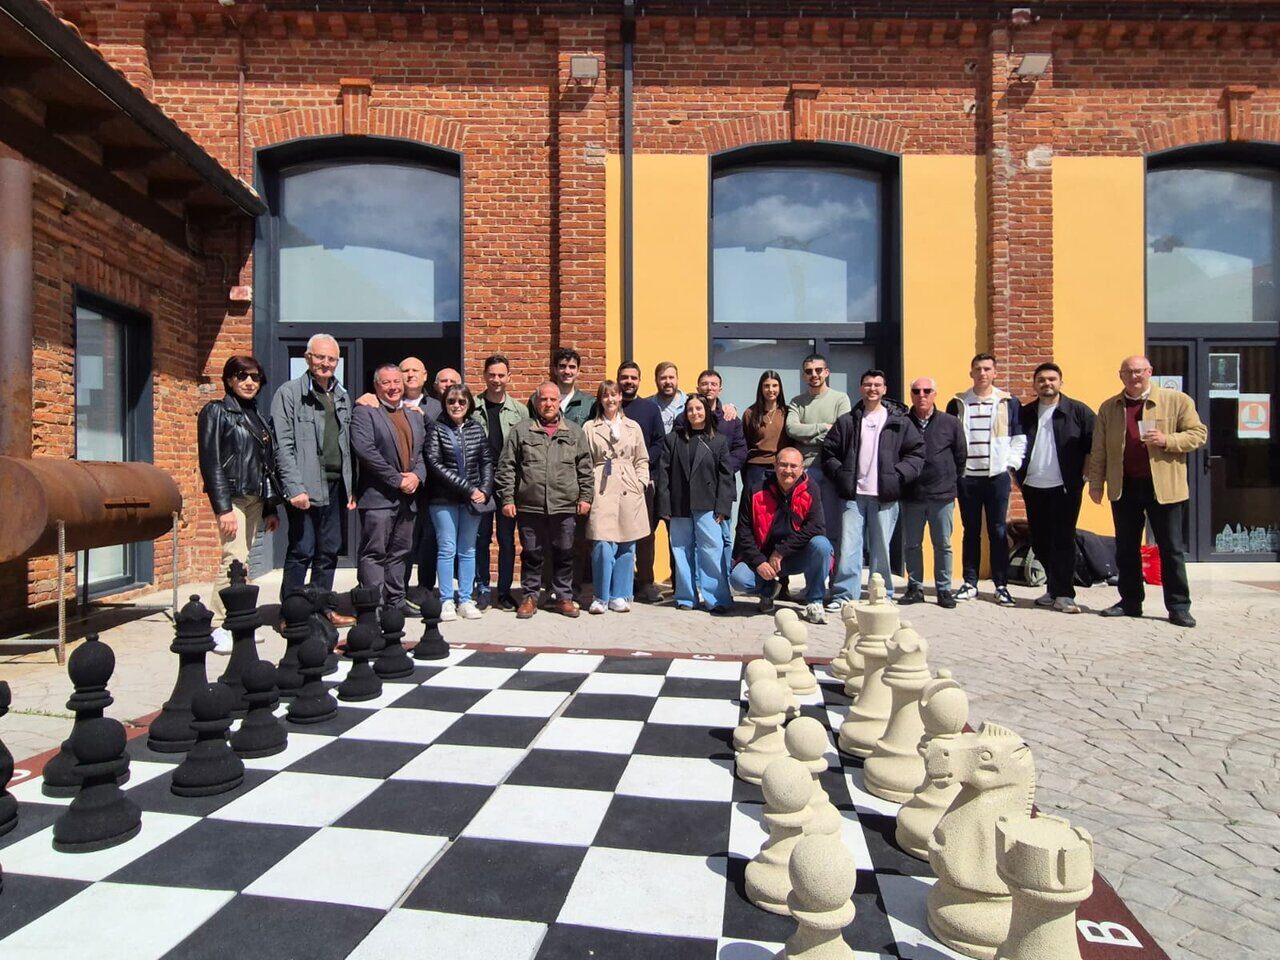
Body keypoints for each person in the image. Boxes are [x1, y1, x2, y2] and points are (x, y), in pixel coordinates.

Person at [1087, 355, 1206, 627]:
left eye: (1139, 371)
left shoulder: (1177, 400)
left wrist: (1167, 439)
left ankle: (1179, 606)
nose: (1134, 377)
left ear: (1150, 372)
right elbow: (1099, 449)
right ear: (1120, 375)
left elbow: (1198, 434)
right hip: (1124, 485)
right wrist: (1096, 482)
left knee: (1171, 549)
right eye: (1128, 372)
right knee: (1126, 549)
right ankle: (1130, 602)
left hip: (1163, 486)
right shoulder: (1109, 407)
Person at [820, 369, 924, 615]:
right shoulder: (847, 421)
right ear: (861, 388)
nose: (872, 389)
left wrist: (897, 476)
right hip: (853, 496)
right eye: (868, 384)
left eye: (877, 385)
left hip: (885, 495)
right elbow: (829, 452)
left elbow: (916, 453)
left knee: (881, 549)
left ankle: (881, 595)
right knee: (849, 547)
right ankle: (845, 595)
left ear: (885, 389)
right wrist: (841, 474)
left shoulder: (900, 422)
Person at [197, 355, 281, 653]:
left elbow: (265, 466)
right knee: (233, 560)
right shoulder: (216, 411)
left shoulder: (256, 415)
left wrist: (270, 508)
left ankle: (239, 619)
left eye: (255, 377)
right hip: (232, 497)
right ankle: (222, 623)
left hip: (255, 499)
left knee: (243, 562)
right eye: (241, 376)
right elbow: (210, 462)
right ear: (229, 380)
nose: (248, 382)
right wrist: (223, 508)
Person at [271, 333, 356, 624]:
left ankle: (321, 609)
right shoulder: (289, 393)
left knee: (328, 551)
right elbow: (282, 445)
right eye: (320, 357)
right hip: (304, 487)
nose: (325, 363)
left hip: (335, 486)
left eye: (331, 359)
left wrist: (351, 487)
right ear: (308, 358)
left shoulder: (342, 396)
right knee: (302, 550)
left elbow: (347, 445)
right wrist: (294, 487)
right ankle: (292, 613)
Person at [497, 382, 594, 619]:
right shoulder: (521, 430)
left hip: (565, 505)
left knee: (565, 553)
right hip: (530, 505)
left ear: (559, 402)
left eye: (553, 399)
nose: (548, 404)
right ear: (536, 402)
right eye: (543, 399)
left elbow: (585, 468)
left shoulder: (574, 432)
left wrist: (585, 497)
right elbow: (507, 467)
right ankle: (530, 596)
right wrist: (507, 498)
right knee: (532, 553)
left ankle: (563, 597)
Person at [357, 356, 442, 613]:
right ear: (376, 386)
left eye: (397, 381)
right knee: (375, 553)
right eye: (386, 383)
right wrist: (397, 479)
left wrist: (417, 476)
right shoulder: (365, 412)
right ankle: (373, 605)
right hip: (378, 498)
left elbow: (424, 451)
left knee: (400, 552)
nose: (393, 387)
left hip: (408, 498)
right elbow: (366, 452)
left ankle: (395, 601)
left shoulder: (413, 415)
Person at [1015, 363, 1096, 615]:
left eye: (1052, 379)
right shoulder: (1025, 413)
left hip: (1065, 487)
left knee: (1063, 540)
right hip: (1033, 485)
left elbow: (1094, 445)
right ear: (1034, 384)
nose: (1047, 383)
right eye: (1041, 379)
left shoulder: (1078, 411)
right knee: (1040, 540)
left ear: (1061, 382)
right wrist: (1015, 472)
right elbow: (1013, 443)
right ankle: (1053, 588)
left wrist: (1085, 474)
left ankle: (1064, 594)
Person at [945, 353, 1026, 606]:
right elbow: (950, 440)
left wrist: (1010, 465)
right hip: (967, 477)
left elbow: (1018, 438)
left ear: (995, 372)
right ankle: (970, 583)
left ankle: (1001, 585)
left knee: (998, 531)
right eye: (978, 369)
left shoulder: (1008, 402)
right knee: (970, 531)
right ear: (971, 372)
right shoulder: (958, 403)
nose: (982, 373)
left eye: (987, 369)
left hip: (996, 478)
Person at [731, 447, 832, 618]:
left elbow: (816, 527)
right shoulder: (756, 490)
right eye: (783, 465)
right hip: (764, 558)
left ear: (802, 468)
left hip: (796, 555)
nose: (788, 471)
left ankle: (815, 601)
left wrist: (780, 552)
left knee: (822, 545)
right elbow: (743, 530)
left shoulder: (811, 489)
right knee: (738, 579)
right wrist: (759, 562)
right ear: (775, 465)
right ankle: (768, 591)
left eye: (793, 466)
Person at [656, 394, 734, 613]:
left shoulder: (718, 440)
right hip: (679, 505)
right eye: (690, 409)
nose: (694, 413)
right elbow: (664, 474)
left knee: (712, 551)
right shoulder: (673, 439)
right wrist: (664, 505)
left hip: (708, 506)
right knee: (681, 551)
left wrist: (723, 507)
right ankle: (686, 597)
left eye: (699, 409)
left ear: (706, 411)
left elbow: (726, 477)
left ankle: (717, 599)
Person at [425, 384, 495, 621]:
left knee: (468, 549)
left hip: (472, 500)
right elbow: (435, 464)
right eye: (451, 401)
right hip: (443, 499)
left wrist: (485, 489)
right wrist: (469, 489)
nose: (456, 406)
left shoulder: (476, 428)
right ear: (445, 404)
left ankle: (465, 599)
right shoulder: (436, 428)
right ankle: (446, 600)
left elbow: (486, 461)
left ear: (469, 404)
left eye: (461, 402)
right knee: (447, 548)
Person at [583, 381, 651, 614]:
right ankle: (600, 596)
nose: (610, 400)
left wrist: (640, 483)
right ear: (600, 400)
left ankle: (620, 595)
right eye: (605, 396)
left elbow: (642, 459)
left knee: (627, 542)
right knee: (602, 542)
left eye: (614, 395)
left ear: (621, 397)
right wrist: (587, 489)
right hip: (601, 485)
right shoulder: (590, 427)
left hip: (629, 486)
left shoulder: (633, 427)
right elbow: (584, 461)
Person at [899, 377, 966, 609]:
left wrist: (949, 481)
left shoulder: (950, 423)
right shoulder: (902, 422)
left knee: (943, 544)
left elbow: (960, 456)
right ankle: (915, 587)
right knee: (912, 544)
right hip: (911, 495)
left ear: (935, 394)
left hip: (941, 495)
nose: (922, 395)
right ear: (911, 395)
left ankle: (944, 589)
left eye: (927, 391)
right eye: (916, 391)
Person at [787, 354, 852, 591]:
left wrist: (809, 436)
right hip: (805, 472)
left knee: (834, 530)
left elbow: (842, 431)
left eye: (818, 370)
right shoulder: (797, 402)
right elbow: (792, 429)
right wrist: (823, 428)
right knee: (807, 531)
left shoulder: (840, 399)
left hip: (832, 470)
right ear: (804, 375)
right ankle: (812, 586)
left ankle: (834, 585)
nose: (813, 375)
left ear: (827, 372)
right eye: (809, 371)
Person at [470, 354, 526, 611]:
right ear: (484, 376)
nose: (496, 380)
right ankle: (482, 589)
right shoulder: (472, 406)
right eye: (491, 375)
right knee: (481, 538)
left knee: (506, 539)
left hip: (507, 482)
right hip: (480, 481)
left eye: (501, 375)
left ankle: (504, 591)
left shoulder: (520, 411)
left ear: (509, 377)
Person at [613, 362, 666, 603]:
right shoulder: (607, 405)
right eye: (624, 377)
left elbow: (659, 443)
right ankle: (615, 581)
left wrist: (639, 468)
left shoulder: (650, 409)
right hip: (611, 482)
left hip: (643, 481)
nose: (629, 382)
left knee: (645, 534)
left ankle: (645, 582)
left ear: (639, 381)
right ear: (618, 379)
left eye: (633, 378)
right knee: (612, 531)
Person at [743, 370, 788, 495]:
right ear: (761, 388)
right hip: (756, 467)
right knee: (753, 504)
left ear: (780, 388)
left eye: (775, 385)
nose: (771, 390)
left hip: (780, 467)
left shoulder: (787, 412)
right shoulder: (750, 413)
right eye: (766, 386)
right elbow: (745, 444)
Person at [529, 347, 592, 426]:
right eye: (562, 366)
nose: (567, 371)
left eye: (572, 367)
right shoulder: (536, 399)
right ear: (555, 370)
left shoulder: (589, 403)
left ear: (578, 371)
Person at [648, 361, 687, 436]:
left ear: (677, 379)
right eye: (663, 378)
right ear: (656, 381)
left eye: (671, 377)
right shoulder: (648, 406)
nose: (668, 382)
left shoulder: (689, 404)